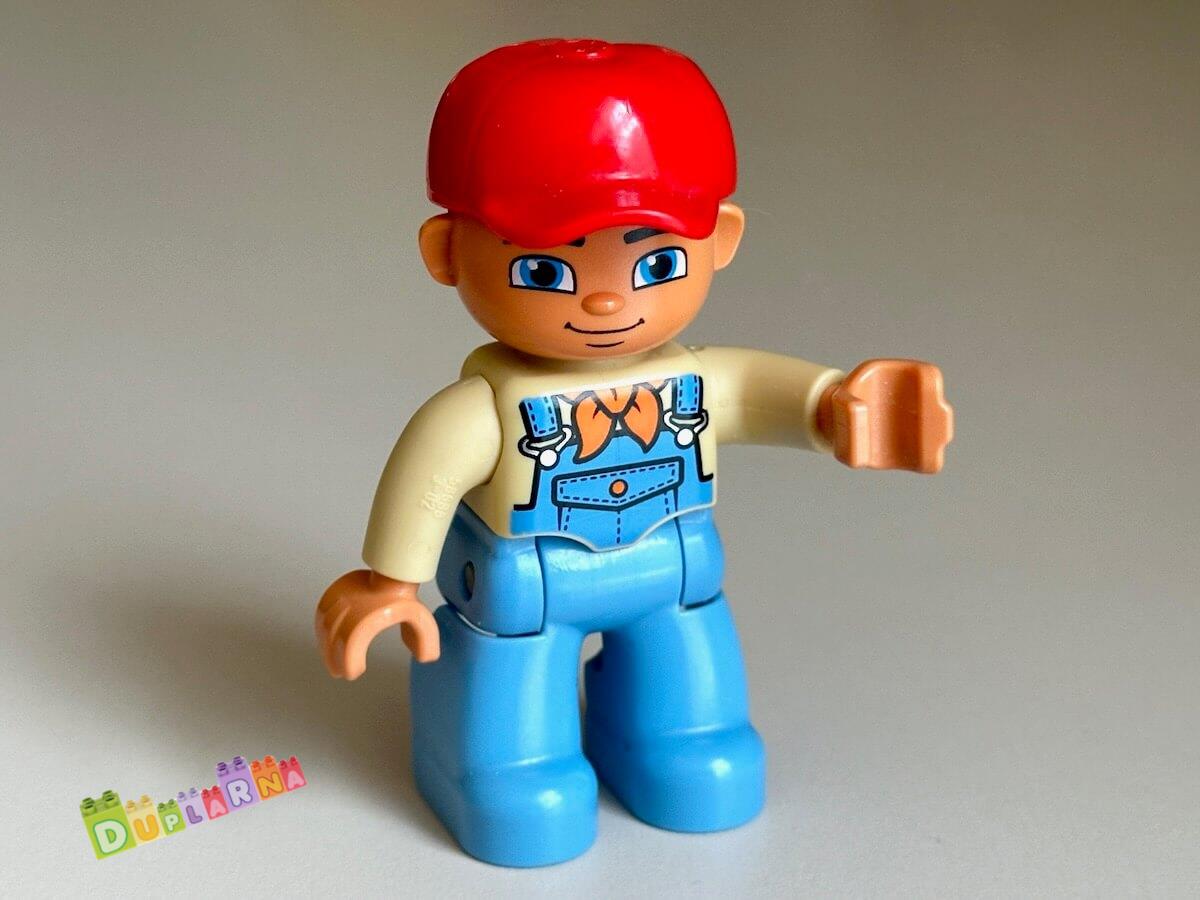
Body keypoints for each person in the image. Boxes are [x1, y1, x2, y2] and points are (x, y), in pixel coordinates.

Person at [316, 38, 953, 867]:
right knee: (513, 705)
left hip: (673, 574)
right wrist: (390, 582)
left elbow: (761, 391)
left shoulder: (694, 378)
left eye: (656, 261)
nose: (607, 300)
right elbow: (430, 473)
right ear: (446, 253)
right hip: (527, 590)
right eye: (545, 270)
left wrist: (834, 408)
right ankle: (507, 766)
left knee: (693, 708)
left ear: (722, 238)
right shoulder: (488, 408)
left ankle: (679, 738)